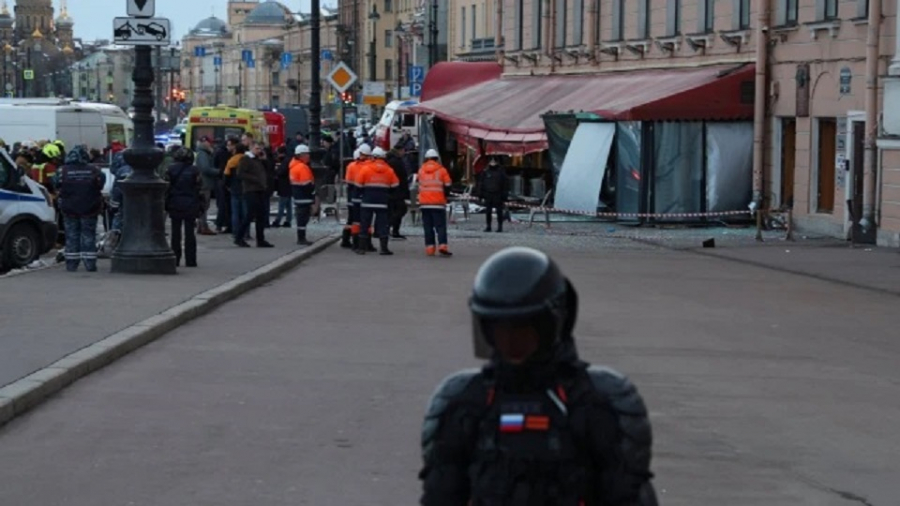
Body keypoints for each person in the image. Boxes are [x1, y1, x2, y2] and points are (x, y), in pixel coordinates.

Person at [419, 247, 658, 506]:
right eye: (501, 330)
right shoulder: (462, 401)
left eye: (522, 329)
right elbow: (440, 495)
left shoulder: (600, 401)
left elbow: (628, 496)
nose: (511, 341)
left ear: (552, 324)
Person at [57, 145, 105, 272]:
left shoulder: (62, 171)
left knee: (71, 235)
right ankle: (90, 264)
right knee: (88, 235)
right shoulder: (95, 170)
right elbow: (100, 185)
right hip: (90, 207)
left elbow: (56, 184)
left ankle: (71, 264)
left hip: (69, 208)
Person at [356, 147, 398, 256]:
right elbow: (395, 185)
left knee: (365, 224)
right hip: (382, 202)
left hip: (367, 201)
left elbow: (358, 185)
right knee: (383, 225)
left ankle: (361, 248)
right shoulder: (389, 170)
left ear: (373, 157)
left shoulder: (365, 169)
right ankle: (384, 249)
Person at [165, 148, 202, 267]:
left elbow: (166, 187)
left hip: (175, 203)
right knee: (190, 233)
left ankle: (175, 258)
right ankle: (191, 260)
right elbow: (199, 188)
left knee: (175, 233)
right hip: (190, 203)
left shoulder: (170, 169)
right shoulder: (194, 171)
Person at [235, 141, 273, 248]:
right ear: (251, 148)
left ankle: (260, 239)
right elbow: (240, 173)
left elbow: (268, 169)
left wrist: (265, 160)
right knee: (250, 214)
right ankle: (239, 237)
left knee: (261, 215)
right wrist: (255, 179)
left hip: (260, 189)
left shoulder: (258, 160)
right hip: (251, 190)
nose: (259, 151)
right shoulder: (246, 159)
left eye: (260, 149)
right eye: (257, 149)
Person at [417, 149, 452, 257]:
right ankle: (442, 246)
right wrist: (445, 196)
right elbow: (448, 184)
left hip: (424, 203)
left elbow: (419, 184)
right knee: (440, 226)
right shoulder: (442, 170)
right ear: (437, 159)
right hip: (438, 203)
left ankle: (430, 248)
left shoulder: (421, 170)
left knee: (428, 227)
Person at [289, 144, 315, 246]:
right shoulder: (302, 167)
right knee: (303, 219)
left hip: (298, 196)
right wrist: (313, 195)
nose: (308, 156)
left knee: (301, 219)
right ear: (301, 155)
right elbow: (307, 184)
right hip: (304, 197)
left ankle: (301, 237)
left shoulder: (293, 166)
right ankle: (301, 238)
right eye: (307, 154)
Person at [476, 157, 508, 233]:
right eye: (491, 161)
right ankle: (488, 226)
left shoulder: (501, 172)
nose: (493, 163)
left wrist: (504, 195)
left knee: (499, 211)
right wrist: (480, 194)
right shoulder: (485, 172)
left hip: (498, 193)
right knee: (488, 211)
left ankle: (500, 226)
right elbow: (481, 183)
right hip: (488, 194)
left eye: (494, 161)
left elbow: (505, 184)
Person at [194, 136, 218, 235]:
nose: (211, 145)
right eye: (210, 143)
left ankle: (201, 226)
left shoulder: (202, 153)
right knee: (204, 205)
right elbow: (205, 169)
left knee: (203, 205)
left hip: (204, 183)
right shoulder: (203, 154)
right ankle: (203, 226)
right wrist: (218, 171)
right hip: (204, 183)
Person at [386, 142, 410, 240]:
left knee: (396, 210)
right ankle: (389, 227)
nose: (404, 152)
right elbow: (401, 176)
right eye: (403, 150)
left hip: (394, 190)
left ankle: (394, 230)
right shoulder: (395, 161)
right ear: (399, 151)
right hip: (397, 190)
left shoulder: (392, 160)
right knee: (401, 209)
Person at [224, 143, 248, 242]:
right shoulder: (247, 160)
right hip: (246, 188)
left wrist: (228, 186)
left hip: (234, 188)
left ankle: (235, 232)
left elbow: (226, 175)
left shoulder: (232, 161)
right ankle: (246, 233)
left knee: (235, 212)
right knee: (246, 212)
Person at [272, 145, 293, 228]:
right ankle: (288, 220)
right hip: (288, 184)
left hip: (284, 185)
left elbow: (281, 172)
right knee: (288, 205)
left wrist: (277, 171)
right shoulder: (289, 160)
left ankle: (278, 220)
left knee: (282, 204)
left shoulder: (285, 161)